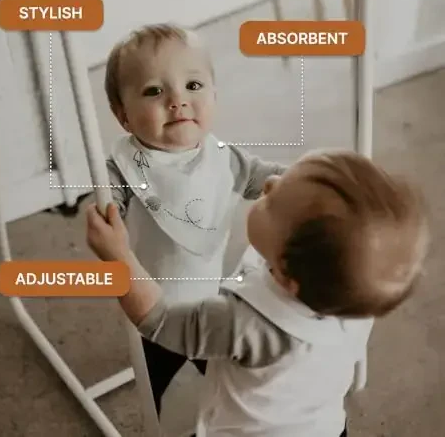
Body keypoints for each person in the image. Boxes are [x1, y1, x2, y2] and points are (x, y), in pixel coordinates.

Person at [86, 149, 429, 437]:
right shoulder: (355, 299)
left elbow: (158, 320)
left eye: (274, 201)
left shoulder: (244, 321)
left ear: (287, 272)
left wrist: (119, 257)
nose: (270, 182)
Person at [102, 23, 287, 416]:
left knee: (225, 371)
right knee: (156, 382)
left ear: (214, 95)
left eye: (193, 85)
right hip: (150, 309)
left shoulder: (222, 157)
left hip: (209, 300)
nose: (177, 101)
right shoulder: (124, 168)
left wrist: (299, 180)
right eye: (154, 91)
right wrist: (107, 216)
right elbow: (106, 203)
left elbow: (262, 177)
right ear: (123, 116)